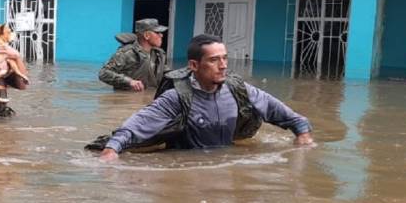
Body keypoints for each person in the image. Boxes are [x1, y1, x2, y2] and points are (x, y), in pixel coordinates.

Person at [97, 34, 313, 160]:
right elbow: (135, 127)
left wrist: (302, 135)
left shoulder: (239, 90)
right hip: (188, 166)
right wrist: (111, 151)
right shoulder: (177, 98)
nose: (223, 65)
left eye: (225, 58)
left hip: (228, 164)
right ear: (193, 65)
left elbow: (289, 116)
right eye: (214, 60)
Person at [98, 18, 169, 91]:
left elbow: (166, 73)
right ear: (147, 35)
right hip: (128, 99)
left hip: (150, 98)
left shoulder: (159, 54)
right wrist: (129, 81)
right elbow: (103, 73)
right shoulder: (127, 53)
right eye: (157, 32)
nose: (161, 35)